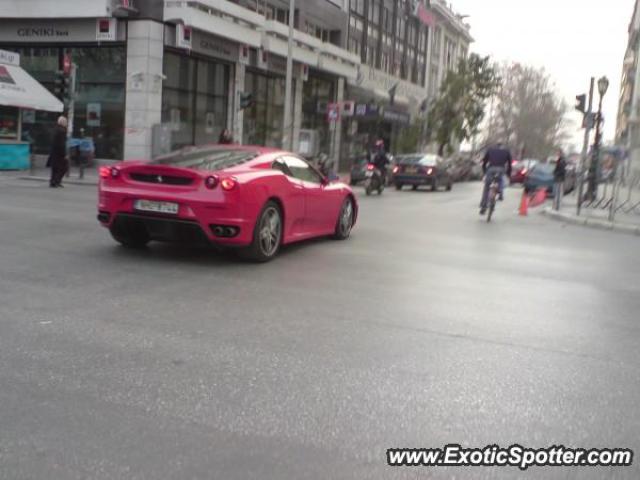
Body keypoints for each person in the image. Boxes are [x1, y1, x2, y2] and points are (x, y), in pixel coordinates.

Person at [480, 142, 512, 214]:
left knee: (487, 187)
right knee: (500, 180)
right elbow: (510, 164)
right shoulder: (506, 151)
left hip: (491, 169)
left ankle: (483, 206)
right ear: (502, 146)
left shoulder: (490, 150)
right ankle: (500, 191)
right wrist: (508, 174)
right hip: (501, 169)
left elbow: (484, 162)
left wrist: (485, 171)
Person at [48, 116, 69, 188]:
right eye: (66, 122)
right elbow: (62, 144)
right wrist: (65, 154)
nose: (67, 123)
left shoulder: (55, 129)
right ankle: (57, 181)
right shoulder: (62, 131)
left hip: (54, 151)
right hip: (59, 152)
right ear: (63, 122)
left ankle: (53, 182)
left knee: (55, 168)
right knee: (64, 167)